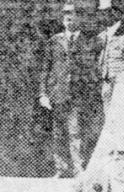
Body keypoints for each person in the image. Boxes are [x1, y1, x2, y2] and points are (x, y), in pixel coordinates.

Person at [40, 3, 100, 178]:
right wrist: (43, 94)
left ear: (78, 19)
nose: (69, 20)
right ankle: (61, 168)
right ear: (62, 20)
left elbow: (92, 69)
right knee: (58, 133)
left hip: (78, 95)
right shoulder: (54, 41)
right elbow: (46, 69)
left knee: (76, 132)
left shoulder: (87, 41)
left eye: (72, 16)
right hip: (57, 94)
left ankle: (78, 169)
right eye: (66, 17)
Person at [96, 4, 124, 110]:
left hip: (122, 79)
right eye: (101, 13)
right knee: (107, 110)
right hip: (106, 80)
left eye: (106, 12)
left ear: (115, 13)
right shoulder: (102, 35)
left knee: (122, 110)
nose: (102, 16)